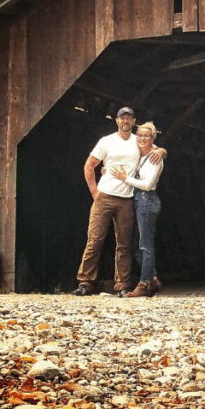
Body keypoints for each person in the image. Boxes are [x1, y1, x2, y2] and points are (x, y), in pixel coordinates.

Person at [71, 107, 166, 297]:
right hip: (104, 195)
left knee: (123, 244)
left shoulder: (137, 141)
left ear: (134, 121)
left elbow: (154, 150)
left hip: (127, 199)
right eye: (122, 118)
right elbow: (89, 165)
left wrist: (163, 151)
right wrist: (94, 191)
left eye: (129, 119)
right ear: (116, 121)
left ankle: (122, 285)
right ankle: (85, 282)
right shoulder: (106, 141)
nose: (125, 121)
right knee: (95, 239)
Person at [112, 121, 163, 299]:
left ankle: (144, 284)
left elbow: (148, 185)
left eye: (146, 135)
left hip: (147, 200)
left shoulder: (155, 158)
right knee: (136, 246)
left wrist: (125, 178)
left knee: (145, 245)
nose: (142, 138)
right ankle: (153, 278)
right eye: (139, 135)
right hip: (138, 200)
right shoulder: (140, 156)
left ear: (152, 138)